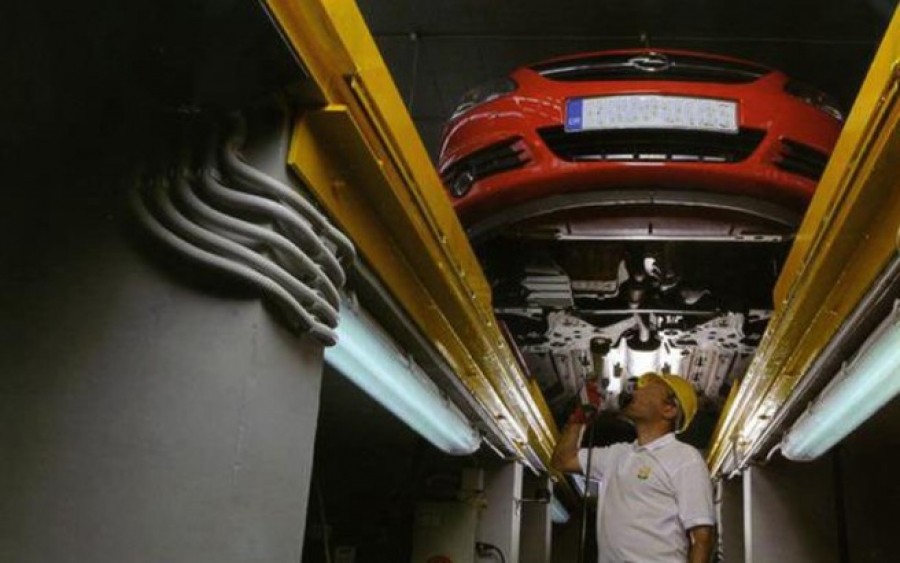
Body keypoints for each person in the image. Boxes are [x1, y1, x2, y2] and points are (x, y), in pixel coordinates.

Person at [551, 372, 716, 563]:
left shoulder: (684, 457)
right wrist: (578, 419)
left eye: (646, 390)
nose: (635, 392)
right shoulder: (617, 454)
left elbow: (702, 538)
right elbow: (563, 460)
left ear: (669, 409)